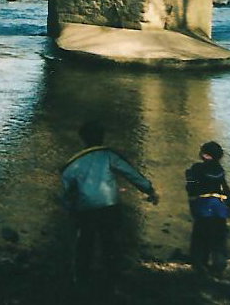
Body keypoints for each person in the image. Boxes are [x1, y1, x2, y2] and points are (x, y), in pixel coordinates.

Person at [60, 120, 159, 284]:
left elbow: (68, 192)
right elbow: (131, 173)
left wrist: (70, 209)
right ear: (102, 137)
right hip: (109, 206)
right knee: (110, 241)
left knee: (85, 242)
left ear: (82, 138)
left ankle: (81, 277)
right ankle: (112, 275)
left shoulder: (73, 164)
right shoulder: (109, 155)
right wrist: (149, 190)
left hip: (86, 209)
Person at [186, 140, 230, 276]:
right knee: (219, 237)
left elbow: (191, 188)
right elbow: (225, 188)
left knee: (200, 236)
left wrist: (192, 204)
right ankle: (219, 265)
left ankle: (199, 264)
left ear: (205, 155)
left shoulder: (196, 168)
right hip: (220, 208)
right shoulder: (219, 170)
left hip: (204, 208)